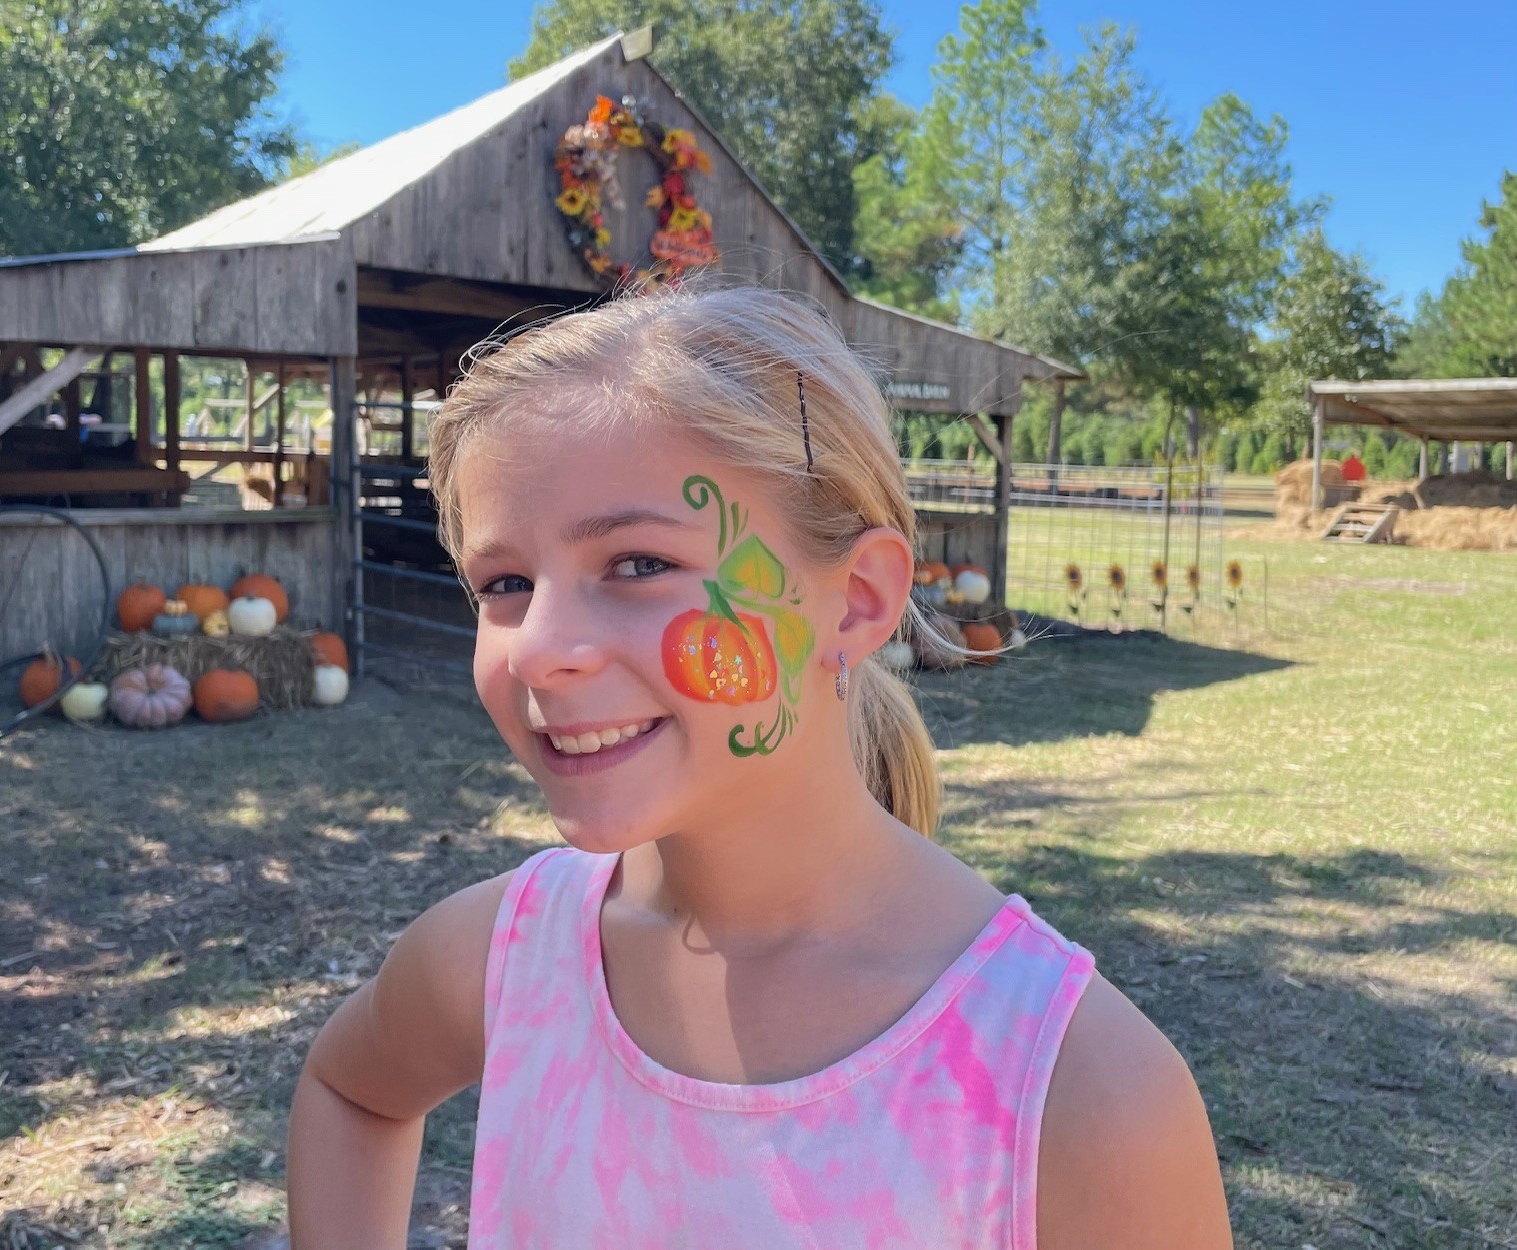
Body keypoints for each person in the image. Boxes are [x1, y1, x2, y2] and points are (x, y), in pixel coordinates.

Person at [287, 286, 1233, 1249]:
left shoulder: (1077, 1091)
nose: (537, 649)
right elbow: (349, 1093)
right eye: (506, 585)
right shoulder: (499, 964)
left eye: (639, 563)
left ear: (857, 602)